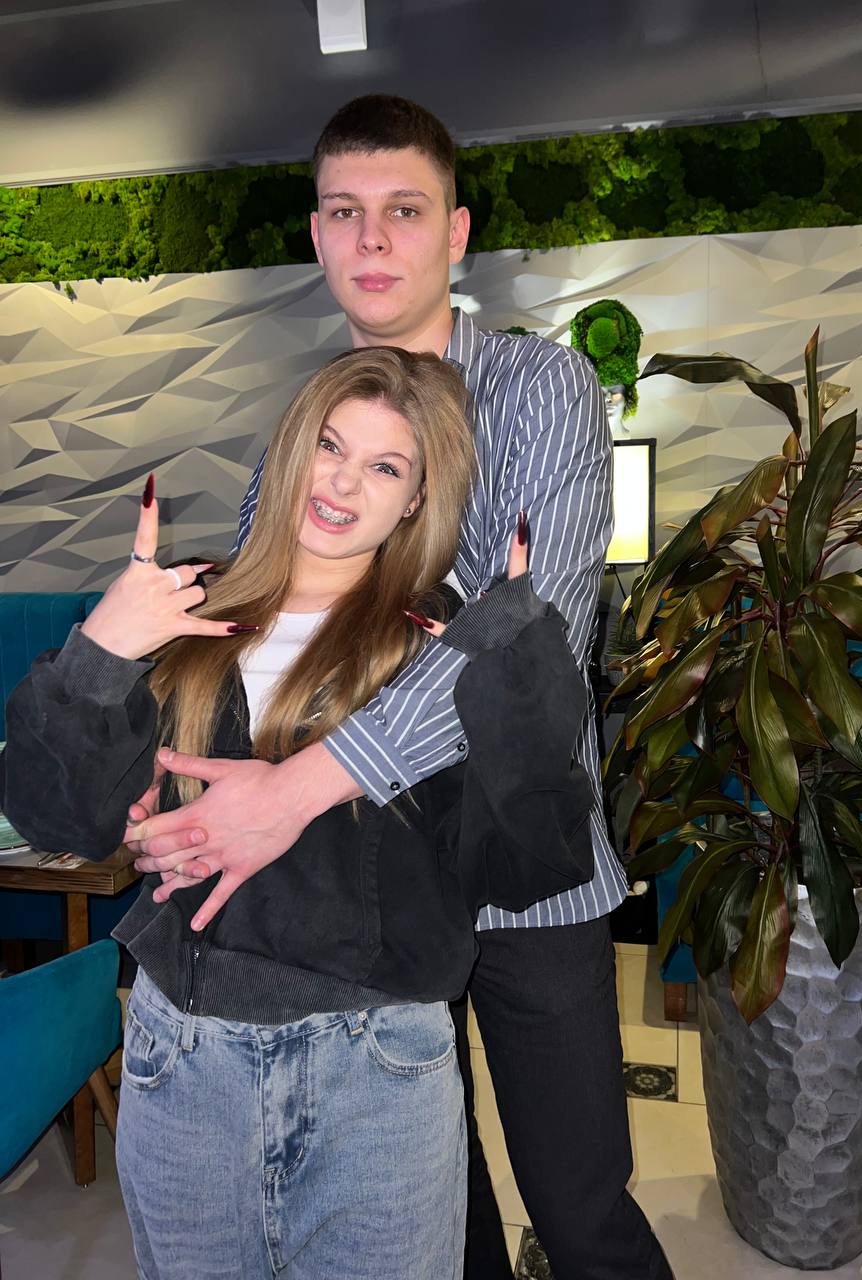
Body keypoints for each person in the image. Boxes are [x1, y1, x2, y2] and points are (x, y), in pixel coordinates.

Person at [123, 97, 674, 1280]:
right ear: (317, 235)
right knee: (437, 1211)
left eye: (405, 211)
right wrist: (169, 780)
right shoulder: (317, 416)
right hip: (369, 884)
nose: (372, 239)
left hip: (521, 872)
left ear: (457, 232)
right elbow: (260, 628)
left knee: (581, 1208)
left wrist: (296, 786)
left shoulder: (541, 386)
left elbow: (530, 646)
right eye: (344, 212)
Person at [1, 347, 595, 1280]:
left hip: (377, 1077)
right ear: (288, 451)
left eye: (385, 467)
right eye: (329, 445)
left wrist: (520, 686)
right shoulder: (184, 612)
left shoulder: (439, 648)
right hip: (182, 1063)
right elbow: (59, 819)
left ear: (417, 500)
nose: (344, 482)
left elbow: (523, 866)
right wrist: (102, 647)